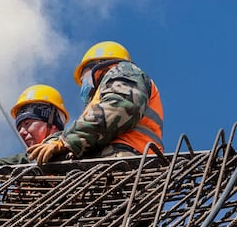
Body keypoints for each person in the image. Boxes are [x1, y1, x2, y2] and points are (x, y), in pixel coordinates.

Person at [27, 41, 163, 164]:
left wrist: (67, 141)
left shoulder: (125, 72)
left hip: (128, 158)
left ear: (99, 66)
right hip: (113, 162)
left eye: (84, 75)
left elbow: (119, 108)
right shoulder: (99, 98)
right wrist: (55, 142)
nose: (83, 82)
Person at [0, 85, 69, 166]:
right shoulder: (30, 161)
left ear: (52, 122)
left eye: (27, 123)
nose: (21, 132)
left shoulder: (73, 144)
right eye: (19, 128)